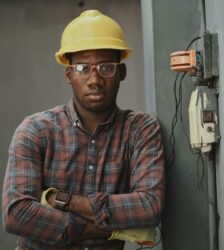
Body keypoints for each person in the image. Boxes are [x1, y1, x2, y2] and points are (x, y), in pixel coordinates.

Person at [2, 9, 165, 250]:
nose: (95, 79)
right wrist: (103, 229)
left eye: (106, 67)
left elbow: (149, 206)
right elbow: (16, 213)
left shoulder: (140, 130)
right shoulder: (35, 130)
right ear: (69, 75)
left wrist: (61, 200)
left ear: (122, 72)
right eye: (82, 68)